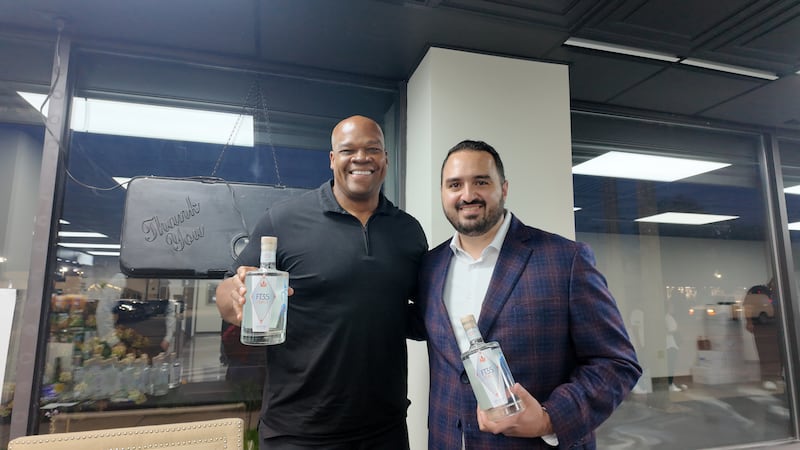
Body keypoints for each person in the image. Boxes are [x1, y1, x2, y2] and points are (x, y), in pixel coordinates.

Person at [215, 115, 427, 449]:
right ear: (332, 159)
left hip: (384, 428)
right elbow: (227, 292)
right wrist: (236, 296)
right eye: (348, 150)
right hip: (298, 430)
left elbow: (421, 314)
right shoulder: (283, 220)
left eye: (373, 149)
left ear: (385, 159)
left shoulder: (409, 231)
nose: (361, 158)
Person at [417, 140, 641, 449]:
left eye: (481, 182)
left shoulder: (566, 259)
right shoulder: (429, 266)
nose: (467, 195)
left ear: (504, 188)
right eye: (454, 185)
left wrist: (550, 418)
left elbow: (616, 362)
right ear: (443, 192)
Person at [743, 283, 781, 390]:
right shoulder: (757, 290)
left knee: (779, 353)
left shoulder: (778, 293)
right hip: (761, 327)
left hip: (777, 327)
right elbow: (747, 306)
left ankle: (778, 377)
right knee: (765, 353)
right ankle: (768, 379)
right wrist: (749, 322)